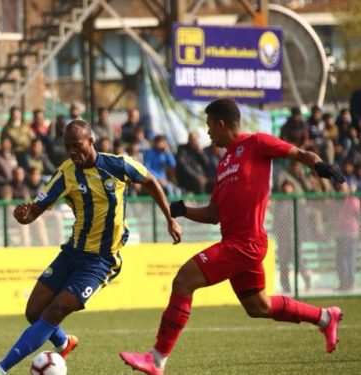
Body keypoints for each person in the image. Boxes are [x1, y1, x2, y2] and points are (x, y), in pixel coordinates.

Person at [119, 98, 344, 375]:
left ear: (221, 123)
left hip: (245, 244)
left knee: (183, 279)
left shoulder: (257, 142)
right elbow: (215, 213)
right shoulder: (224, 162)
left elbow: (297, 152)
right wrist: (182, 210)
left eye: (209, 126)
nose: (208, 132)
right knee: (258, 306)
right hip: (236, 243)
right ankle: (325, 317)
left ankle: (156, 359)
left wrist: (318, 164)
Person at [0, 120, 182, 375]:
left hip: (101, 261)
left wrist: (169, 218)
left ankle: (0, 370)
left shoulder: (117, 165)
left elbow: (150, 181)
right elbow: (36, 211)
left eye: (77, 146)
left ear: (91, 142)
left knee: (55, 310)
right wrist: (24, 216)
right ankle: (65, 343)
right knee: (34, 311)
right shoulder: (66, 173)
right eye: (67, 147)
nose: (72, 152)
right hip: (73, 252)